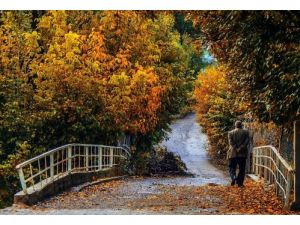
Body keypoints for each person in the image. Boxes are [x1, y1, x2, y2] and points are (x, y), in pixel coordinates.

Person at [227, 120, 250, 187]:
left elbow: (231, 143)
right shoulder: (246, 132)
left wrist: (235, 148)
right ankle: (240, 183)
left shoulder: (230, 133)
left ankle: (233, 177)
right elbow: (247, 142)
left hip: (233, 153)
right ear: (241, 125)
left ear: (235, 125)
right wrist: (240, 148)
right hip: (242, 154)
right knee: (242, 169)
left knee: (232, 168)